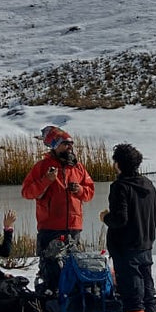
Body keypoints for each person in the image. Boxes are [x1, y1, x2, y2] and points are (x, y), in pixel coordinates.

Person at [21, 125, 95, 298]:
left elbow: (90, 193)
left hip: (74, 227)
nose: (69, 147)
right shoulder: (42, 166)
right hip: (50, 228)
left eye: (70, 144)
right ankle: (49, 302)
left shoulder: (78, 168)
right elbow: (27, 192)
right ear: (54, 146)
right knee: (50, 268)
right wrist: (46, 180)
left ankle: (72, 302)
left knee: (73, 267)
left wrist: (79, 190)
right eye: (64, 144)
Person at [99, 142, 156, 312]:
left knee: (132, 293)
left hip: (126, 248)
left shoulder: (120, 187)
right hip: (145, 245)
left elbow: (120, 219)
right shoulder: (149, 184)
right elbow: (155, 216)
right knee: (147, 291)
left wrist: (106, 217)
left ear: (118, 164)